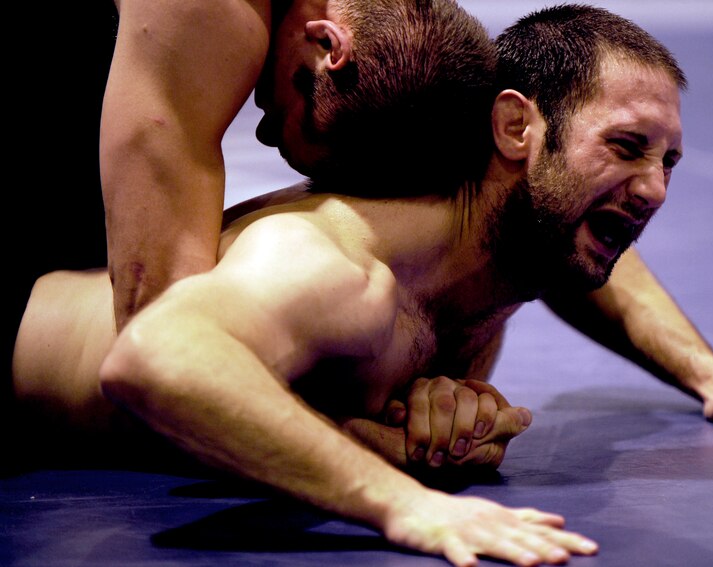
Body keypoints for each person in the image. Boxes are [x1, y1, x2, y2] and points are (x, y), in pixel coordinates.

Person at [10, 5, 713, 566]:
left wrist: (709, 371)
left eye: (669, 162)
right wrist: (400, 496)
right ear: (515, 131)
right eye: (626, 148)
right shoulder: (335, 264)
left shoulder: (509, 233)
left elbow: (583, 241)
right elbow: (151, 353)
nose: (656, 188)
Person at [101, 0, 496, 329]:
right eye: (280, 121)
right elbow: (154, 329)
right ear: (327, 43)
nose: (261, 133)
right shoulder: (213, 12)